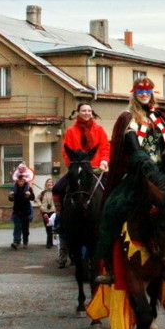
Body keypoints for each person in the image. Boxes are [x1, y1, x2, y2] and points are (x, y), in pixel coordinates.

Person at [93, 77, 165, 284]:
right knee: (113, 207)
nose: (144, 94)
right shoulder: (127, 118)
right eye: (140, 91)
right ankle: (108, 264)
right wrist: (140, 158)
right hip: (140, 175)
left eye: (148, 91)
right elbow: (129, 148)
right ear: (134, 93)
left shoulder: (163, 116)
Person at [54, 102, 111, 267]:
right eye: (83, 111)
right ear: (78, 113)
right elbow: (66, 151)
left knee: (113, 190)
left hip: (97, 169)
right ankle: (61, 222)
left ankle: (111, 220)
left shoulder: (99, 130)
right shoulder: (71, 131)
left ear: (92, 113)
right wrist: (72, 165)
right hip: (78, 169)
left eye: (89, 111)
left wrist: (104, 161)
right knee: (58, 188)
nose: (86, 113)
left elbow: (106, 147)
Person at [9, 163, 36, 249]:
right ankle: (16, 242)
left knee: (25, 229)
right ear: (17, 181)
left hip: (26, 211)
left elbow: (33, 198)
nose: (20, 183)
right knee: (17, 228)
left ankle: (25, 241)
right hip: (17, 211)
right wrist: (10, 195)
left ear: (24, 181)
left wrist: (29, 194)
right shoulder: (14, 188)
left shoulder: (28, 188)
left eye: (22, 181)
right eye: (19, 181)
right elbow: (11, 199)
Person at [37, 178, 57, 248]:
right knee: (47, 227)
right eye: (48, 182)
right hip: (44, 211)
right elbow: (36, 198)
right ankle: (49, 242)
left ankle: (50, 242)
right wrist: (41, 206)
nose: (49, 184)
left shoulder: (55, 192)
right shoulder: (43, 192)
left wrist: (56, 207)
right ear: (46, 184)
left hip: (52, 211)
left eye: (51, 182)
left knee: (52, 227)